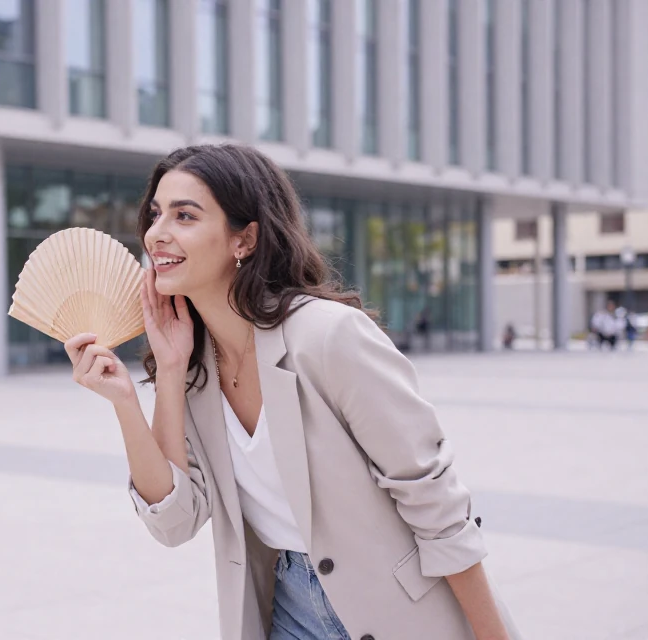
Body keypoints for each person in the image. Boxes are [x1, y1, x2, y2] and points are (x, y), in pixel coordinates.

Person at [65, 145, 518, 640]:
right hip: (290, 609)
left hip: (400, 610)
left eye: (184, 215)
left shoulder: (327, 337)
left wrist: (492, 634)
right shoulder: (193, 369)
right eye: (155, 213)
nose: (157, 233)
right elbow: (173, 523)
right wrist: (141, 392)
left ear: (245, 238)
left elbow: (435, 503)